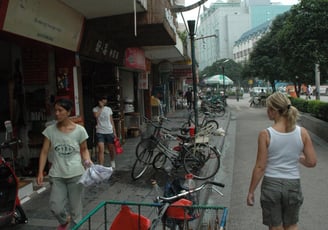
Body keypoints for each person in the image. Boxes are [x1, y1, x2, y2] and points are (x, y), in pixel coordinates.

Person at [246, 92, 317, 230]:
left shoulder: (265, 134)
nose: (267, 111)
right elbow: (312, 162)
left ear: (274, 111)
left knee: (275, 226)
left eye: (268, 108)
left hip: (271, 184)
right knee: (291, 225)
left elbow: (260, 167)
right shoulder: (302, 132)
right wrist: (299, 158)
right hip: (293, 184)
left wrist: (251, 191)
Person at [37, 98, 92, 230]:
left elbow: (84, 150)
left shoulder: (80, 130)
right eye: (55, 110)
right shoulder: (50, 131)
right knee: (56, 207)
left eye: (60, 110)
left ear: (68, 112)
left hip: (76, 175)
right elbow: (44, 152)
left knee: (76, 212)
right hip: (57, 175)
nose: (56, 113)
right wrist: (40, 171)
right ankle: (64, 221)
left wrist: (87, 160)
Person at [93, 95, 117, 167]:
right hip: (100, 131)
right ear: (99, 101)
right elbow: (96, 116)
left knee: (111, 149)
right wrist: (101, 108)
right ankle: (101, 166)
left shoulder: (108, 109)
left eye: (105, 99)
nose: (104, 101)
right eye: (103, 99)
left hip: (109, 131)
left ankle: (112, 160)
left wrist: (114, 131)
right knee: (101, 149)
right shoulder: (95, 109)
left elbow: (111, 120)